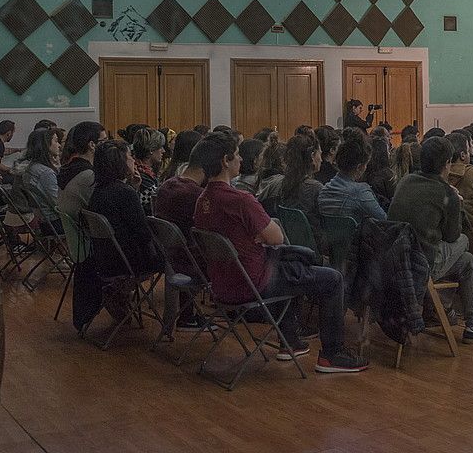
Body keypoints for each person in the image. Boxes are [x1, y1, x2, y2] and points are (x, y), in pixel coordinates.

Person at [193, 132, 368, 372]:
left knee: (292, 269)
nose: (241, 160)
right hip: (254, 282)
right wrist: (261, 232)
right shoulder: (240, 200)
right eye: (237, 154)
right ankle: (332, 354)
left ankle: (291, 342)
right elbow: (276, 236)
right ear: (225, 160)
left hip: (224, 285)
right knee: (332, 278)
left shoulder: (202, 200)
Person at [387, 137, 473, 343]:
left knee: (466, 261)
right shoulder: (447, 194)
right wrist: (457, 205)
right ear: (447, 163)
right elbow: (452, 236)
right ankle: (466, 320)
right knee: (464, 241)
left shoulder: (406, 180)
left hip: (394, 259)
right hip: (420, 263)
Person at [79, 140, 163, 331]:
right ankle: (169, 321)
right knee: (170, 256)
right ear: (120, 163)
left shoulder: (99, 191)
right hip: (128, 261)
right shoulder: (124, 193)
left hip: (105, 257)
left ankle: (120, 291)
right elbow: (142, 233)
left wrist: (133, 188)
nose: (133, 160)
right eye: (129, 157)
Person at [155, 131, 223, 330]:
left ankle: (188, 315)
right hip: (193, 264)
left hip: (173, 258)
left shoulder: (168, 185)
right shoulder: (197, 196)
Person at [259, 133, 325, 240]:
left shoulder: (280, 184)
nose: (321, 159)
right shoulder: (316, 188)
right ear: (312, 156)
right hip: (314, 248)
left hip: (288, 245)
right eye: (319, 154)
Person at [318, 136, 385, 223]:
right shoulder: (360, 191)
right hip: (356, 236)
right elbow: (383, 219)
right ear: (359, 167)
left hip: (328, 236)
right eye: (366, 164)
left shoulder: (324, 190)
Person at [19, 128, 62, 230]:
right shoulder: (46, 173)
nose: (59, 145)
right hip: (54, 222)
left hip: (42, 220)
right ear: (46, 145)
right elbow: (59, 205)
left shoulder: (31, 167)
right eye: (56, 141)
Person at [130, 127, 165, 214]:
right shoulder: (141, 177)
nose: (163, 151)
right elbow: (158, 205)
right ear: (151, 150)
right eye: (160, 147)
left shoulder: (139, 169)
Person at [364, 136, 396, 208]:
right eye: (388, 151)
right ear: (383, 153)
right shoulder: (389, 175)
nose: (389, 153)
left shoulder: (363, 174)